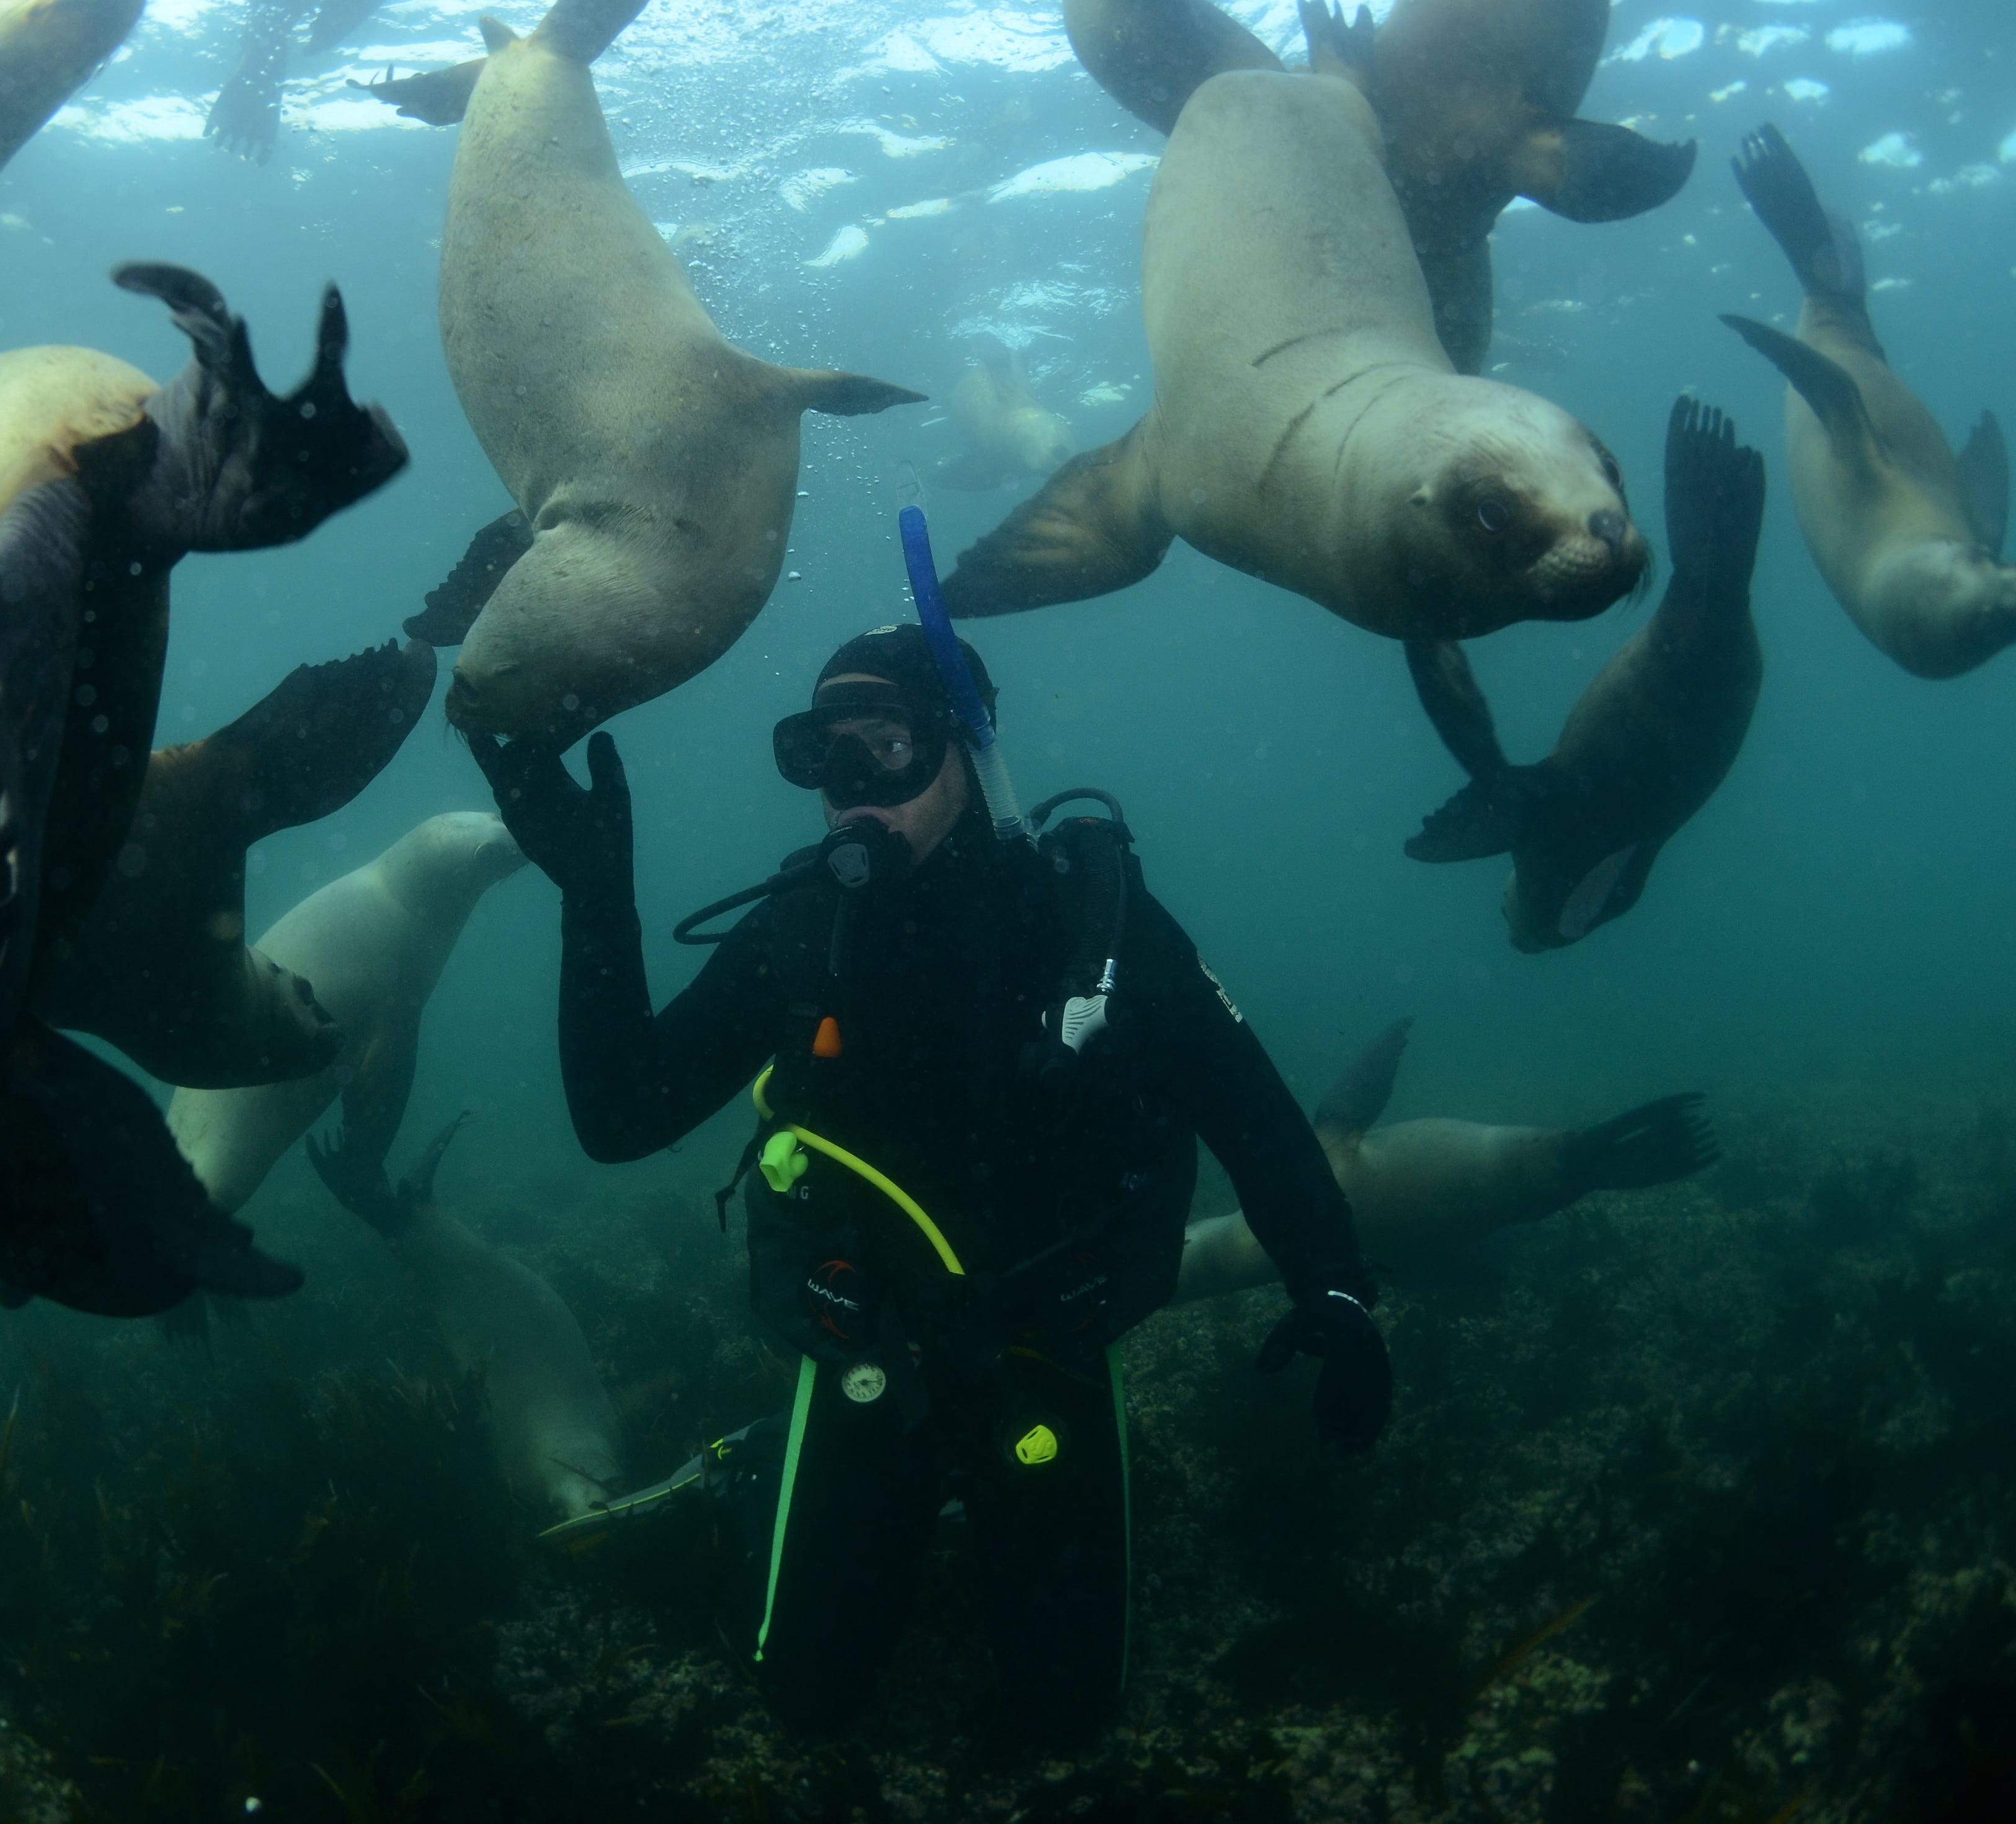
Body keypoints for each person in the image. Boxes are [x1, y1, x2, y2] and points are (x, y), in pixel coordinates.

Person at [472, 625, 1389, 1746]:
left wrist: (1334, 1289)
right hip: (870, 1349)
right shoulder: (808, 933)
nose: (854, 790)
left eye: (889, 747)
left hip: (1045, 1348)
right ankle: (755, 1471)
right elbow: (621, 1120)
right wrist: (591, 892)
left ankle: (886, 1489)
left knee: (1068, 1719)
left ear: (969, 749)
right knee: (806, 1702)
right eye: (825, 757)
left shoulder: (1092, 928)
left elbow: (1257, 1120)